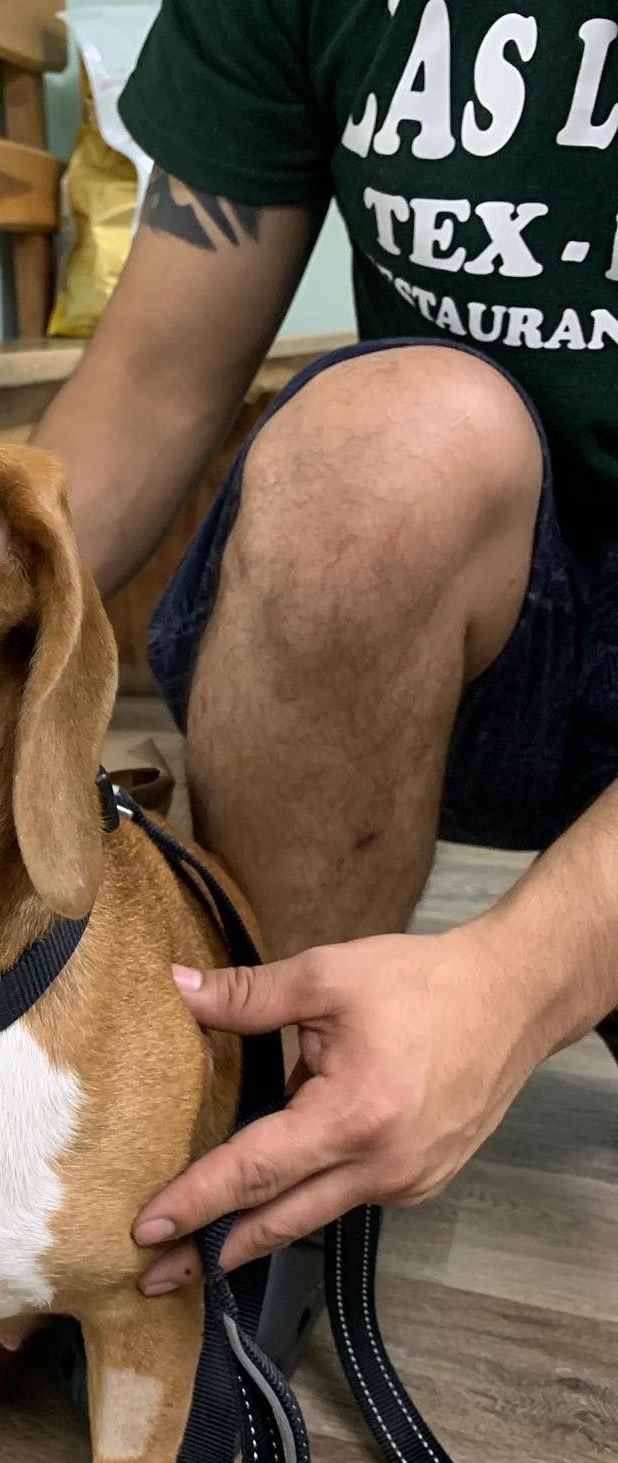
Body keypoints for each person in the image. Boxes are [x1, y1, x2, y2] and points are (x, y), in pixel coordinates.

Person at [30, 0, 618, 1302]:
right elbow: (153, 383)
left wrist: (517, 983)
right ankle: (259, 1178)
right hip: (477, 602)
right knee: (381, 449)